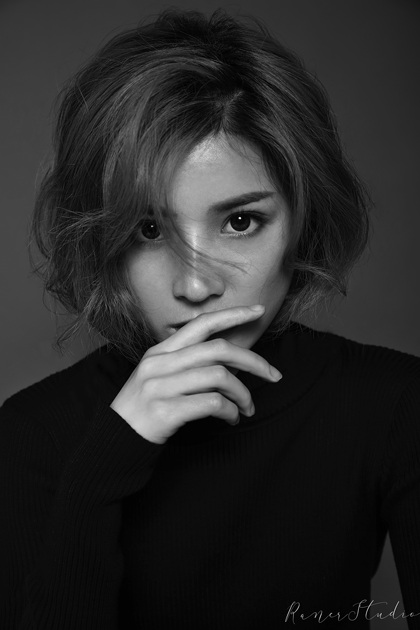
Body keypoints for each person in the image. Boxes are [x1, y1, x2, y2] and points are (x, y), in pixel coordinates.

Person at [0, 7, 419, 629]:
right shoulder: (31, 434)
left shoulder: (396, 407)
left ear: (303, 221)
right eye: (148, 229)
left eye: (240, 222)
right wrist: (105, 465)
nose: (196, 285)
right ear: (99, 234)